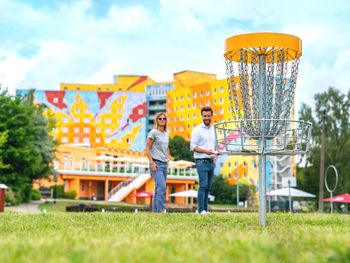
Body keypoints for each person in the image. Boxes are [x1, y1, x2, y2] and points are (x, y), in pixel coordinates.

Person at [190, 106, 217, 215]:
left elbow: (216, 145)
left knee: (208, 187)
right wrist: (206, 151)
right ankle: (201, 210)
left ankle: (204, 209)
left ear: (211, 116)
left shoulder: (214, 129)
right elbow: (192, 146)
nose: (206, 117)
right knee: (203, 185)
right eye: (204, 116)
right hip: (201, 161)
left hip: (211, 162)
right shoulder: (197, 130)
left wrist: (216, 153)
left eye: (208, 116)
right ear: (201, 116)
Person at [146, 112, 169, 213]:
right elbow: (147, 147)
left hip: (165, 164)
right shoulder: (153, 132)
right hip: (156, 164)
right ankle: (160, 211)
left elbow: (166, 149)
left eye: (164, 119)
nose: (162, 120)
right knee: (162, 187)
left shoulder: (166, 134)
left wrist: (168, 159)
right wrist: (151, 162)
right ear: (157, 120)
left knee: (158, 189)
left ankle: (155, 213)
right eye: (160, 119)